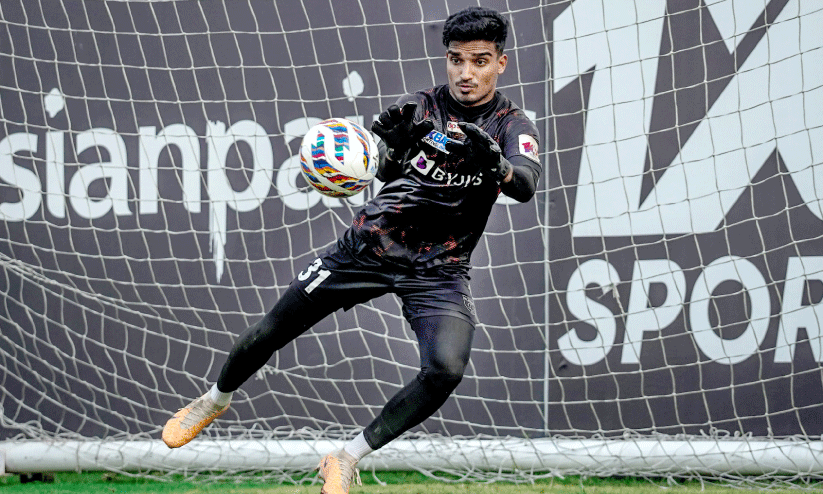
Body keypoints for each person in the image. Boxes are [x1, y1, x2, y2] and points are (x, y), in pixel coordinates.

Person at [161, 6, 541, 494]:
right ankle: (215, 399)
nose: (466, 73)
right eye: (456, 60)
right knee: (272, 328)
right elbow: (377, 166)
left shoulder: (512, 124)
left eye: (479, 61)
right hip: (370, 245)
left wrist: (496, 165)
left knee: (445, 369)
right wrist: (386, 151)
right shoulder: (421, 106)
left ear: (500, 63)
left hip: (439, 269)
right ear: (446, 59)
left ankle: (347, 456)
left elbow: (525, 184)